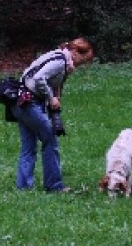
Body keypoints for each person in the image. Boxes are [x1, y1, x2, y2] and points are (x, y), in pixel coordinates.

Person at [11, 37, 94, 192]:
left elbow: (48, 79)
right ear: (75, 52)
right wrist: (51, 97)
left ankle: (23, 187)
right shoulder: (60, 61)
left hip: (19, 101)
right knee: (50, 139)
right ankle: (54, 185)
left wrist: (56, 96)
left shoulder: (59, 56)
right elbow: (39, 78)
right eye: (83, 60)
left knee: (29, 146)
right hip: (29, 102)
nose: (82, 64)